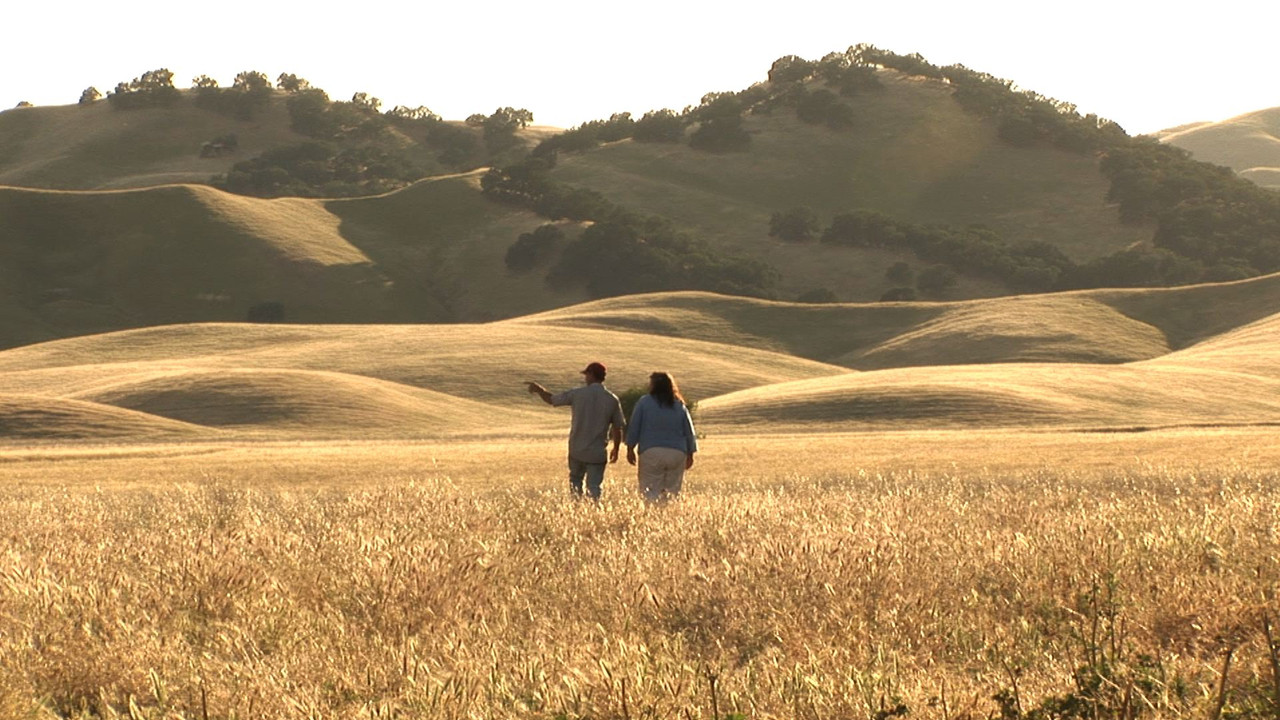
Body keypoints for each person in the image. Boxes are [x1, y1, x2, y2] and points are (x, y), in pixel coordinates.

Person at [525, 362, 625, 500]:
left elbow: (552, 400)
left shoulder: (577, 394)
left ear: (591, 375)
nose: (585, 378)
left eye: (586, 374)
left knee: (576, 483)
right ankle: (593, 512)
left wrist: (540, 390)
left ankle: (577, 508)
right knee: (594, 487)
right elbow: (617, 427)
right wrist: (616, 449)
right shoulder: (612, 399)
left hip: (577, 449)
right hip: (597, 452)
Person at [625, 371, 697, 502]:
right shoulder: (679, 405)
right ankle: (669, 516)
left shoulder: (644, 403)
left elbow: (635, 426)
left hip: (651, 451)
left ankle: (653, 517)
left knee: (650, 491)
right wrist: (691, 453)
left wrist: (630, 448)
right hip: (677, 452)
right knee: (672, 492)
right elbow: (689, 431)